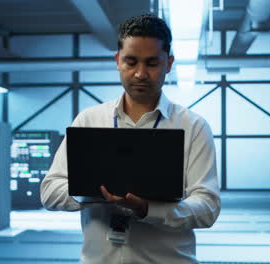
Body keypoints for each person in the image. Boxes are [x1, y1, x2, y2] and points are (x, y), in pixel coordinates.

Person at [41, 14, 221, 263]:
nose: (140, 74)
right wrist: (93, 190)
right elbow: (49, 192)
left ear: (168, 64)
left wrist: (147, 209)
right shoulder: (89, 120)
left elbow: (208, 207)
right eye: (131, 62)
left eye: (152, 63)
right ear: (117, 61)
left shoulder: (194, 127)